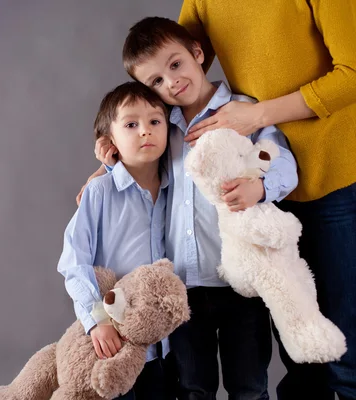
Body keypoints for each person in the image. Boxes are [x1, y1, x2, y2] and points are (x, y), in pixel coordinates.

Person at [80, 17, 299, 399]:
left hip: (240, 284)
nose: (172, 82)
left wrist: (260, 188)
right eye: (156, 81)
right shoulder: (162, 127)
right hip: (181, 289)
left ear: (198, 53)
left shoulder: (243, 111)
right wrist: (108, 164)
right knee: (193, 388)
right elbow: (140, 170)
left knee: (249, 386)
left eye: (176, 64)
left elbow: (283, 163)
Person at [176, 1, 356, 398]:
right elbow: (169, 64)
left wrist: (258, 116)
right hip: (260, 183)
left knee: (343, 338)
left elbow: (352, 73)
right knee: (297, 341)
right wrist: (117, 152)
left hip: (332, 174)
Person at [58, 81, 174, 400]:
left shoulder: (176, 188)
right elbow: (74, 262)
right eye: (131, 125)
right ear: (109, 141)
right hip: (116, 341)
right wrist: (98, 320)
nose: (145, 132)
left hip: (165, 342)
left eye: (154, 121)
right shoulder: (100, 193)